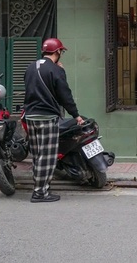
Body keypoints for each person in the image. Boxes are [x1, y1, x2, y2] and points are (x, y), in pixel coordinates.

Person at [23, 37, 84, 203]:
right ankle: (40, 193)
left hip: (30, 117)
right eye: (61, 51)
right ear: (57, 52)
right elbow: (65, 95)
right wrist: (76, 115)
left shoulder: (30, 67)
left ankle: (41, 188)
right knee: (48, 156)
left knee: (37, 155)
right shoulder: (56, 70)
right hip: (47, 117)